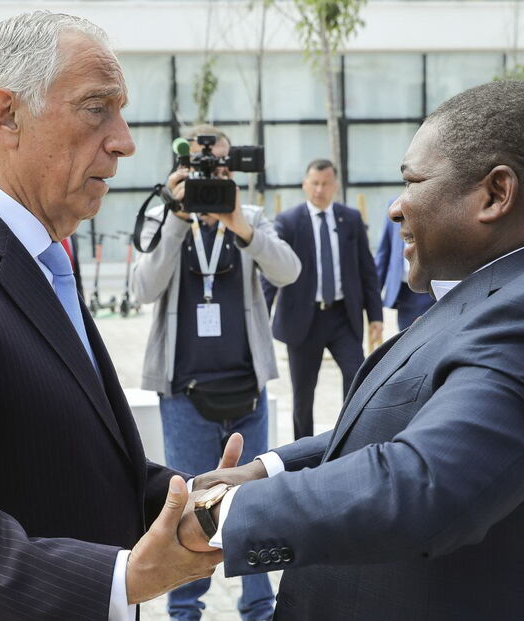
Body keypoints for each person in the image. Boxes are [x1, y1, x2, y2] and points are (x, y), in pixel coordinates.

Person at [178, 80, 524, 620]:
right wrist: (267, 470)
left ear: (495, 194)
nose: (396, 208)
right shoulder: (505, 293)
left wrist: (222, 513)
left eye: (413, 181)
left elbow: (424, 483)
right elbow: (398, 427)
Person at [0, 12, 225, 620]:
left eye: (121, 110)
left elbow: (66, 459)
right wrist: (122, 577)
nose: (125, 140)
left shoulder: (38, 251)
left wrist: (189, 500)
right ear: (6, 116)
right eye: (96, 107)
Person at [131, 124, 300, 621]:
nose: (212, 173)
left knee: (252, 505)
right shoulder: (166, 218)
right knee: (187, 504)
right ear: (179, 169)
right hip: (185, 392)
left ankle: (258, 608)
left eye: (221, 165)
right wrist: (179, 218)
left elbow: (287, 271)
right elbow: (142, 288)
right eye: (203, 166)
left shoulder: (248, 219)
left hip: (246, 392)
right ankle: (185, 611)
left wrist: (237, 222)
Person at [263, 159, 383, 439]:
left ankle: (350, 442)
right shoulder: (288, 222)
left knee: (358, 379)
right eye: (314, 183)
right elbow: (272, 271)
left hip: (343, 316)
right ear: (305, 185)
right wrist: (260, 314)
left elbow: (367, 270)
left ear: (335, 186)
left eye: (325, 183)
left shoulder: (350, 219)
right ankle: (302, 455)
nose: (319, 189)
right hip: (304, 320)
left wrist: (375, 316)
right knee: (303, 396)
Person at [375, 205, 434, 331]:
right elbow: (384, 252)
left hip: (431, 287)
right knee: (406, 338)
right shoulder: (395, 206)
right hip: (404, 291)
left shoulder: (432, 199)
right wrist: (373, 298)